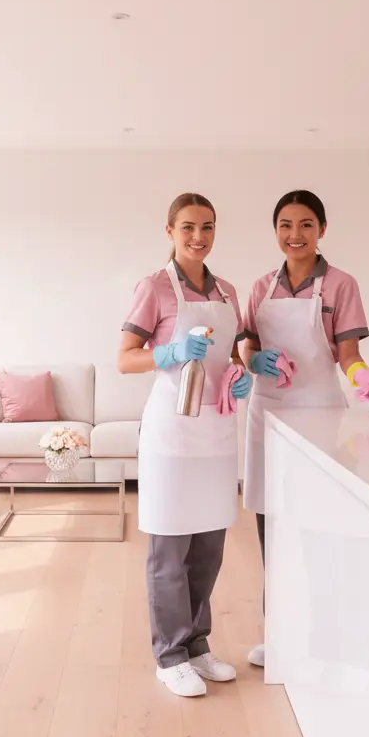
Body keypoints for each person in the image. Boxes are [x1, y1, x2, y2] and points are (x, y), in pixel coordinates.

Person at [240, 189, 369, 668]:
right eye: (285, 225)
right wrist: (255, 361)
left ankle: (324, 641)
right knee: (272, 530)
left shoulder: (341, 285)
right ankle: (278, 636)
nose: (295, 235)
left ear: (322, 229)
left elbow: (348, 355)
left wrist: (364, 379)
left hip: (320, 418)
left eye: (306, 224)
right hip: (267, 415)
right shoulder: (261, 287)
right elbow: (246, 346)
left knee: (320, 532)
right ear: (275, 231)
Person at [118, 192, 253, 697]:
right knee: (170, 550)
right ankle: (169, 655)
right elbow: (125, 358)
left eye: (208, 227)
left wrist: (240, 374)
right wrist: (168, 352)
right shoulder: (154, 287)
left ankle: (196, 644)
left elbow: (232, 355)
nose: (199, 237)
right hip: (172, 434)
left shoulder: (228, 291)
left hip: (217, 431)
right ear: (170, 231)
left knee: (208, 549)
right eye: (188, 228)